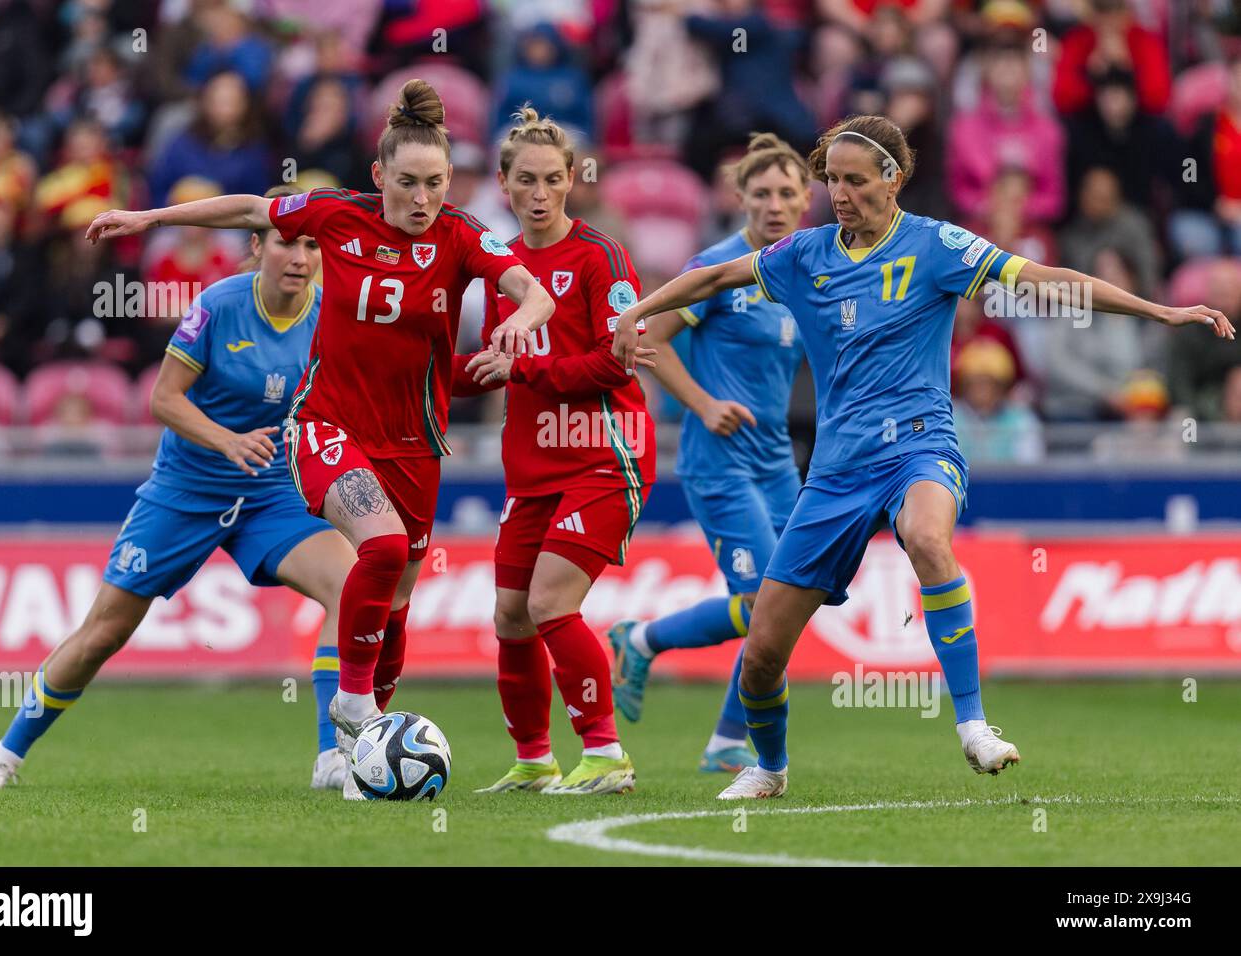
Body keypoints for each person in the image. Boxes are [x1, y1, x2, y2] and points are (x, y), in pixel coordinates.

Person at [611, 114, 1235, 799]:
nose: (839, 195)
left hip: (921, 443)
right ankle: (769, 766)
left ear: (893, 178)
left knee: (927, 537)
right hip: (836, 472)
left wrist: (1161, 313)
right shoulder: (804, 255)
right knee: (761, 656)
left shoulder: (937, 245)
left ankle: (972, 724)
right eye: (832, 182)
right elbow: (713, 277)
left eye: (854, 181)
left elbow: (1046, 279)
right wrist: (635, 311)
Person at [85, 79, 555, 800]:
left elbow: (532, 286)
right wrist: (148, 216)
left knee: (396, 603)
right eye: (407, 183)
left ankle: (360, 756)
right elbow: (248, 207)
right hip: (328, 428)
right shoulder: (336, 215)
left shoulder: (463, 234)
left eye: (435, 182)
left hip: (415, 443)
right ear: (379, 177)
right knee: (385, 548)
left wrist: (522, 319)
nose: (422, 198)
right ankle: (354, 705)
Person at [0, 186, 359, 792]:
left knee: (351, 585)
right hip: (188, 487)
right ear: (257, 245)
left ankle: (331, 756)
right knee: (106, 631)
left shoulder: (331, 317)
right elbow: (163, 399)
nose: (300, 257)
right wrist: (226, 440)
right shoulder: (218, 305)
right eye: (286, 242)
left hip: (272, 490)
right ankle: (5, 754)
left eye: (312, 244)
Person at [452, 108, 655, 795]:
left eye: (552, 179)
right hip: (532, 468)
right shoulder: (500, 268)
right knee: (509, 614)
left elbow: (615, 366)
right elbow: (491, 363)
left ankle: (606, 755)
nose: (539, 193)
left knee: (548, 603)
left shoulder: (600, 257)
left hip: (605, 456)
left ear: (573, 180)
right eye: (524, 181)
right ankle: (534, 760)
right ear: (503, 186)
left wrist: (525, 372)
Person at [607, 133, 809, 775]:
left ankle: (725, 740)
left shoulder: (805, 270)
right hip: (717, 459)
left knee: (790, 603)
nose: (774, 204)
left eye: (787, 193)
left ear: (808, 200)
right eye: (761, 193)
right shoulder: (718, 268)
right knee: (760, 602)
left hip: (777, 462)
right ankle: (642, 639)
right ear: (739, 198)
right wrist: (702, 404)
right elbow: (649, 340)